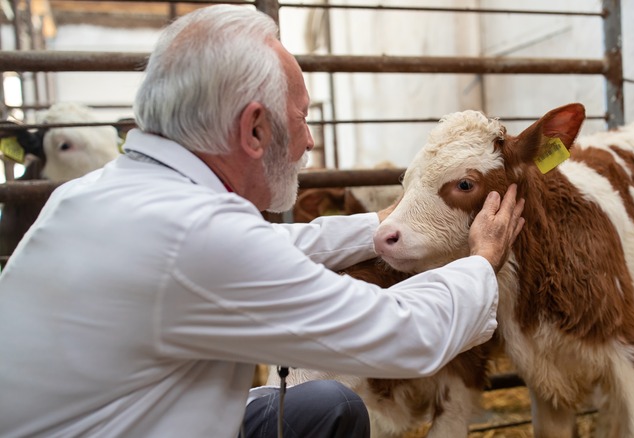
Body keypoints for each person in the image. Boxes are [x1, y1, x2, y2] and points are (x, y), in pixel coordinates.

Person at [0, 5, 526, 438]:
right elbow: (401, 333)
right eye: (301, 118)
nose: (309, 141)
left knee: (326, 404)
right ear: (254, 129)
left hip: (123, 418)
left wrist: (377, 225)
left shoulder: (94, 194)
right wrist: (481, 261)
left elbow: (269, 245)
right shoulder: (194, 236)